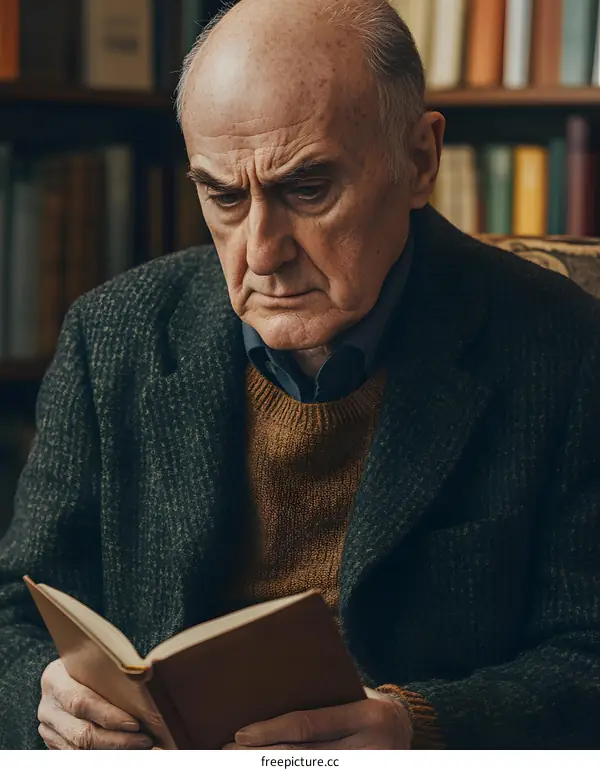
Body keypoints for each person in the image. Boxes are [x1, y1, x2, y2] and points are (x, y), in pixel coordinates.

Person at [1, 0, 600, 751]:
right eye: (223, 195)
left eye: (307, 189)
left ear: (419, 161)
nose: (261, 251)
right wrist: (40, 692)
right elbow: (13, 613)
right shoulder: (111, 334)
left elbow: (587, 655)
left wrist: (421, 727)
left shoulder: (563, 347)